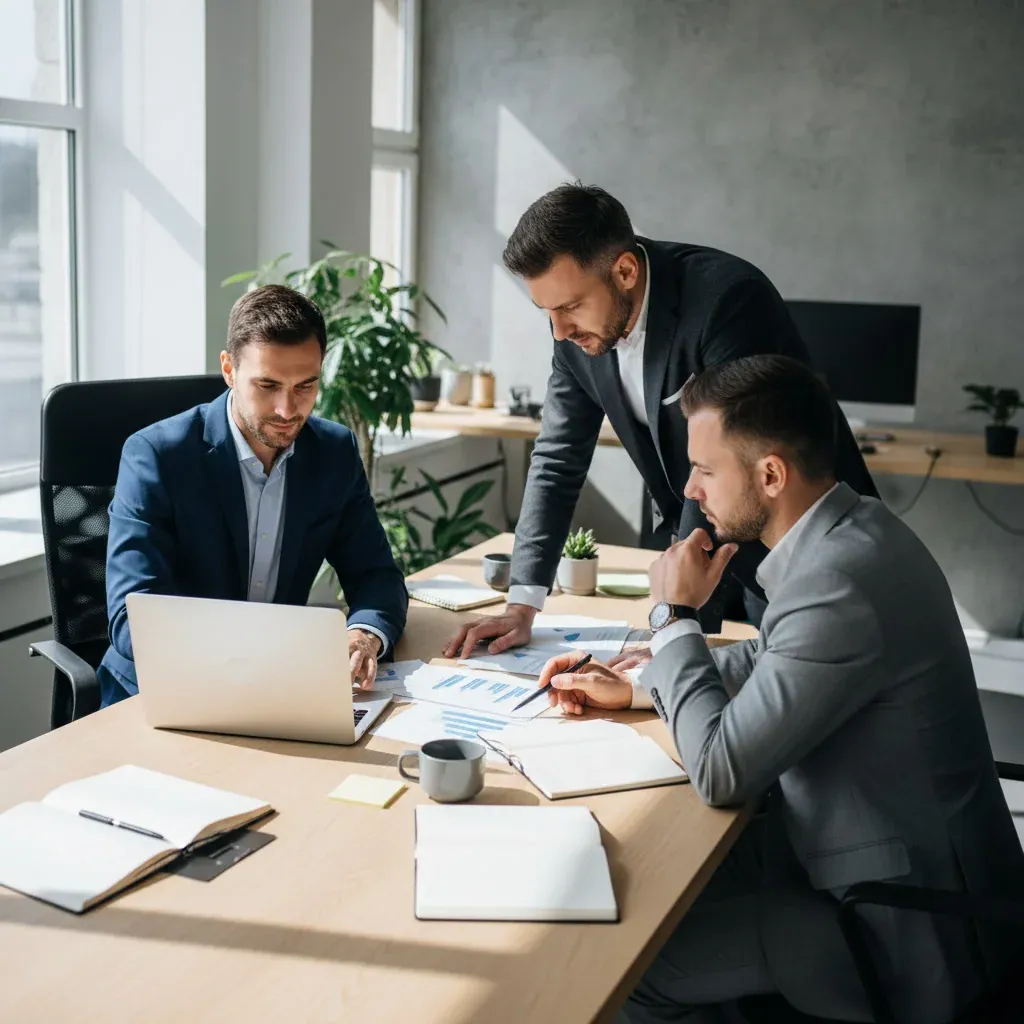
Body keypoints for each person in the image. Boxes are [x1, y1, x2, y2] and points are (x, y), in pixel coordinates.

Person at [538, 355, 1024, 1023]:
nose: (689, 489)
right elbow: (774, 656)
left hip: (895, 920)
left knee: (627, 967)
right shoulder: (857, 532)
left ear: (770, 474)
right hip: (857, 854)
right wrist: (642, 686)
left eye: (706, 469)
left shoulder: (838, 583)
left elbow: (720, 771)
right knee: (645, 891)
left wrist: (675, 619)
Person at [444, 182, 875, 664]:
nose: (559, 332)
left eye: (568, 307)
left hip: (789, 546)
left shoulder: (727, 300)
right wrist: (522, 604)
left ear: (625, 271)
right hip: (694, 532)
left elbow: (735, 458)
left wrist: (672, 620)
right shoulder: (572, 334)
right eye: (546, 312)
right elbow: (557, 457)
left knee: (782, 706)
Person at [98, 284, 408, 707]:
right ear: (228, 369)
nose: (287, 409)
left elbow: (376, 575)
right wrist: (256, 660)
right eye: (267, 385)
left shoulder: (333, 452)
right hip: (164, 692)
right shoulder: (156, 456)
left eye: (305, 386)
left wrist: (365, 635)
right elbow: (133, 619)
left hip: (275, 690)